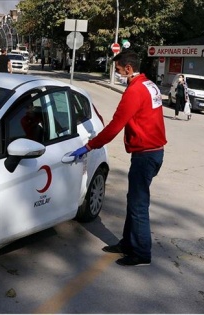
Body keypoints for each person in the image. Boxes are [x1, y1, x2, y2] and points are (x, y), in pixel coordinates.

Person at [71, 50, 167, 267]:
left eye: (119, 69)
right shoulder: (149, 85)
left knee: (138, 204)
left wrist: (89, 145)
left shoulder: (135, 91)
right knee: (134, 200)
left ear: (129, 68)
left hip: (146, 154)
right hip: (153, 151)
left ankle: (141, 254)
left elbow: (115, 125)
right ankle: (128, 244)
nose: (118, 72)